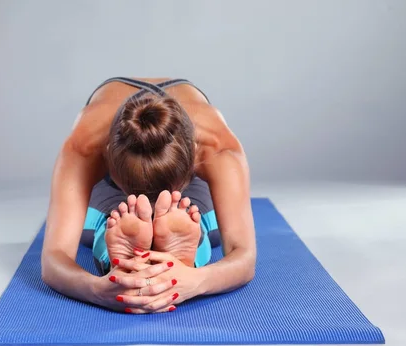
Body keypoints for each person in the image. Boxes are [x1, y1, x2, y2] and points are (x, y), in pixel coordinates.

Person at [41, 77, 256, 314]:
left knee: (188, 214)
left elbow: (244, 254)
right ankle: (180, 253)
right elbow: (54, 258)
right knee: (119, 217)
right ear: (108, 155)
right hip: (123, 186)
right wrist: (98, 290)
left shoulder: (217, 147)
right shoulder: (83, 148)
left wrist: (195, 282)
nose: (151, 210)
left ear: (194, 155)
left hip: (174, 190)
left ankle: (136, 257)